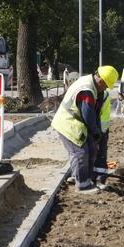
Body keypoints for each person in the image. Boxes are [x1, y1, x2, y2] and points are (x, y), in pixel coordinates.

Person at [51, 66, 118, 194]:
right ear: (101, 80)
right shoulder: (87, 90)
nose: (104, 88)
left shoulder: (90, 84)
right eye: (105, 85)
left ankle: (80, 177)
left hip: (73, 122)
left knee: (90, 148)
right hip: (68, 123)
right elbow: (88, 115)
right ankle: (82, 185)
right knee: (80, 152)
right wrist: (96, 132)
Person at [93, 90, 111, 190]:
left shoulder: (100, 95)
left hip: (100, 128)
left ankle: (99, 178)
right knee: (98, 153)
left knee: (99, 154)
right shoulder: (94, 93)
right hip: (99, 128)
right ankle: (96, 178)